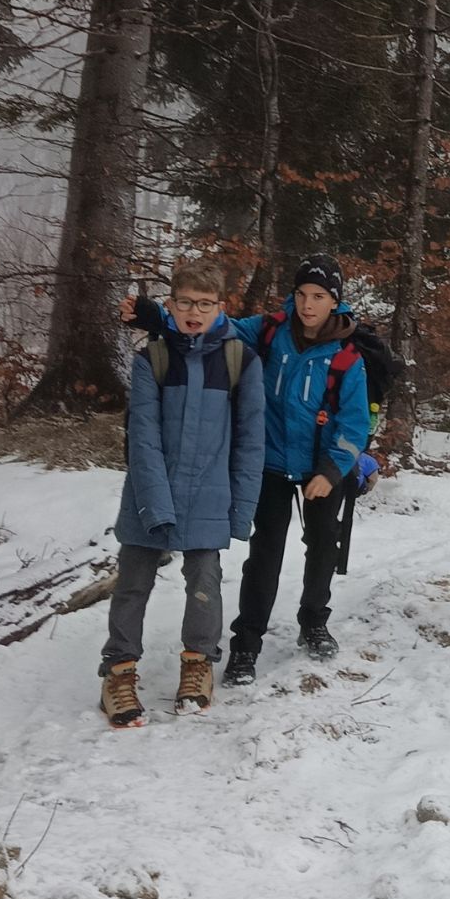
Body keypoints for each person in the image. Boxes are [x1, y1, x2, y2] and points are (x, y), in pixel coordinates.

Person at [122, 252, 370, 684]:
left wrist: (331, 471)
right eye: (301, 294)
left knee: (323, 546)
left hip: (323, 466)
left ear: (335, 302)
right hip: (270, 463)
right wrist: (156, 316)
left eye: (318, 296)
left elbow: (354, 423)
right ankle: (246, 645)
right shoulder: (270, 330)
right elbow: (213, 325)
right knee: (265, 556)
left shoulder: (348, 356)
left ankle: (313, 619)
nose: (308, 304)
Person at [100, 257, 265, 728]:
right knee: (132, 584)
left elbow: (252, 441)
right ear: (170, 304)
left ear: (221, 307)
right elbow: (143, 437)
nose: (195, 311)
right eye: (186, 302)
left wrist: (242, 509)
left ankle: (198, 665)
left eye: (205, 304)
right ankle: (118, 670)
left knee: (204, 584)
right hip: (149, 492)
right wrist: (155, 502)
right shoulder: (152, 358)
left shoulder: (240, 361)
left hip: (210, 493)